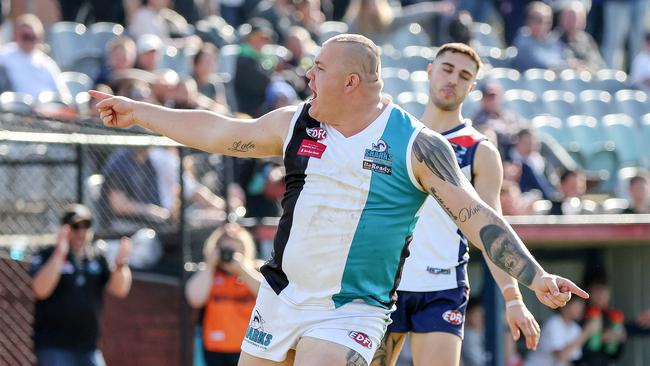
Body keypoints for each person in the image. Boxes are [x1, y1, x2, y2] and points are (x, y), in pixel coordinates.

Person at [91, 33, 588, 366]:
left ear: (351, 83)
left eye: (319, 68)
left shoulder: (416, 145)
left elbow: (478, 217)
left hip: (351, 310)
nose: (309, 76)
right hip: (281, 296)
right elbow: (222, 132)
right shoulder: (298, 122)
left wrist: (534, 277)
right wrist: (141, 113)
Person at [371, 43, 540, 366]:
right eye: (447, 69)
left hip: (441, 287)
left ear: (472, 87)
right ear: (431, 70)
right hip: (383, 284)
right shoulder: (395, 132)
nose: (453, 80)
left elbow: (491, 227)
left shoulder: (479, 149)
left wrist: (513, 298)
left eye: (464, 76)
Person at [31, 204, 132, 366]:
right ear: (65, 229)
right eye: (76, 227)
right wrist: (60, 254)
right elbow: (40, 290)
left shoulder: (97, 258)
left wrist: (120, 266)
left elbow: (120, 290)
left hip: (89, 348)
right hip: (54, 347)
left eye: (87, 226)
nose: (81, 232)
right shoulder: (46, 255)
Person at [186, 223, 263, 366]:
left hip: (249, 349)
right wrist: (210, 265)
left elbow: (269, 296)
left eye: (234, 251)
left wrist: (242, 270)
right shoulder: (208, 273)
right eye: (225, 249)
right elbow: (194, 299)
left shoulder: (255, 271)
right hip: (215, 349)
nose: (228, 255)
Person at [0, 13, 71, 101]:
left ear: (39, 37)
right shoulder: (4, 56)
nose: (29, 41)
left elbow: (64, 93)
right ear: (15, 34)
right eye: (25, 36)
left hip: (48, 110)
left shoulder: (47, 62)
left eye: (33, 37)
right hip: (18, 110)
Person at [525, 298, 599, 366]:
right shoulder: (554, 323)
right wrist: (586, 333)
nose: (580, 309)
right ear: (564, 306)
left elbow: (567, 360)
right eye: (577, 305)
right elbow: (561, 356)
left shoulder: (576, 328)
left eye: (581, 306)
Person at [512, 2, 570, 71]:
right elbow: (539, 64)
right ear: (528, 21)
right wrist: (565, 66)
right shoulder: (522, 41)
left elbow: (565, 57)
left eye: (547, 21)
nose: (543, 25)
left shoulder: (554, 42)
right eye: (538, 20)